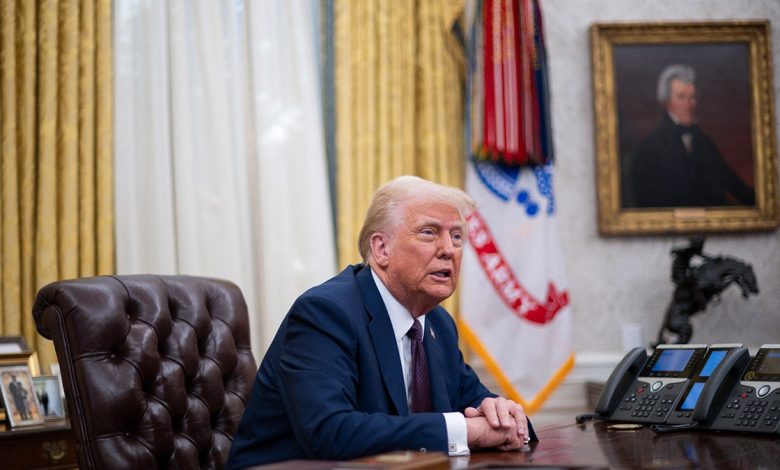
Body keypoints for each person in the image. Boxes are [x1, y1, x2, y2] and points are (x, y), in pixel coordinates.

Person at [227, 176, 536, 468]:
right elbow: (329, 432)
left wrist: (505, 415)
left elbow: (475, 402)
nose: (448, 250)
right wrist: (466, 431)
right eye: (429, 232)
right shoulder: (325, 313)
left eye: (456, 236)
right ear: (381, 248)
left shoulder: (436, 323)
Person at [625, 64, 755, 208]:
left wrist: (762, 204)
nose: (689, 104)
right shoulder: (648, 149)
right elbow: (647, 203)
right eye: (681, 97)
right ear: (666, 102)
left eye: (692, 97)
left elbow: (730, 180)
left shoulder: (703, 142)